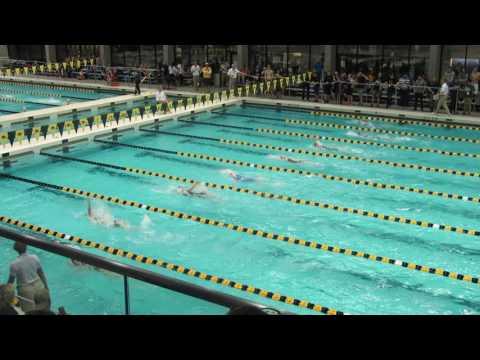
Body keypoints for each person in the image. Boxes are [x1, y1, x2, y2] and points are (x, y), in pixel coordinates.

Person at [7, 242, 49, 313]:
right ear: (26, 247)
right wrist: (46, 286)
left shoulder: (14, 264)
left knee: (29, 312)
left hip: (25, 290)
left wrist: (7, 294)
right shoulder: (35, 257)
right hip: (39, 285)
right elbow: (41, 273)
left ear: (15, 249)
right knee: (43, 310)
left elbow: (10, 282)